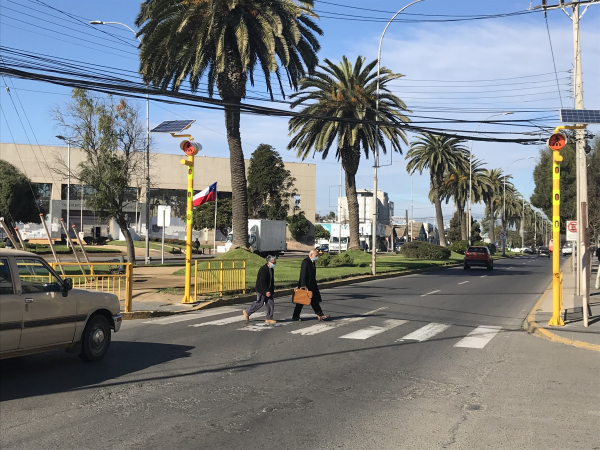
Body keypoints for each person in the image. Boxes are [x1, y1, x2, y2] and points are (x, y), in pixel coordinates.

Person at [292, 249, 330, 321]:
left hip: (312, 285)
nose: (317, 257)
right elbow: (303, 274)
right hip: (305, 285)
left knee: (314, 300)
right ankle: (295, 316)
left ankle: (320, 315)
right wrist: (303, 285)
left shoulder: (312, 262)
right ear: (311, 255)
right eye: (316, 255)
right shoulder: (306, 262)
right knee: (301, 302)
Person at [243, 255, 277, 324]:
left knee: (270, 303)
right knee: (259, 303)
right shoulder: (263, 269)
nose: (274, 264)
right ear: (268, 262)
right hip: (262, 289)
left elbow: (271, 281)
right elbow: (262, 282)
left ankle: (269, 318)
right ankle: (247, 312)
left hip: (268, 290)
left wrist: (271, 290)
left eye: (275, 262)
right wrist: (266, 291)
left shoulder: (271, 269)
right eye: (273, 263)